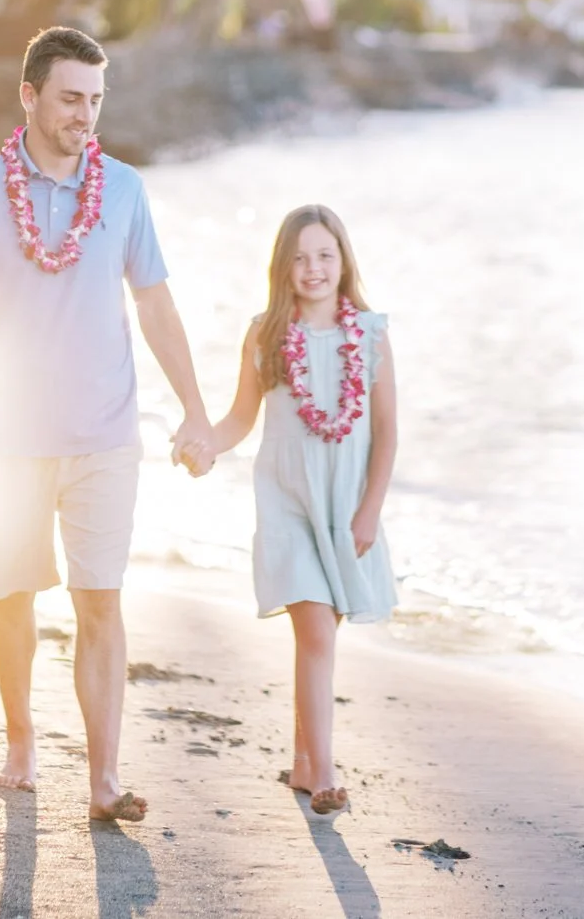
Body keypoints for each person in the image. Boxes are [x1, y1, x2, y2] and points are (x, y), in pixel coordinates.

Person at [0, 25, 216, 823]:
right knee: (10, 594)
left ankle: (103, 778)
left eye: (95, 99)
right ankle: (20, 737)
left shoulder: (123, 189)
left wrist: (194, 408)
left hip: (104, 436)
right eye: (69, 98)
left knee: (100, 601)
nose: (84, 114)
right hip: (7, 438)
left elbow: (153, 301)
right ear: (28, 96)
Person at [206, 204, 398, 818]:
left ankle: (301, 761)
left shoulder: (368, 334)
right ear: (281, 266)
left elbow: (388, 434)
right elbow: (240, 417)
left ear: (343, 262)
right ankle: (326, 777)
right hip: (286, 500)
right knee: (314, 630)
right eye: (299, 257)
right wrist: (204, 443)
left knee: (320, 636)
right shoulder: (266, 333)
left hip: (345, 507)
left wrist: (369, 511)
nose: (312, 268)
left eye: (324, 255)